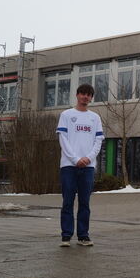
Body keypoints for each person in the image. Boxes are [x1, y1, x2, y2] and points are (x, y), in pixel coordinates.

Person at [56, 84, 104, 247]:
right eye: (83, 94)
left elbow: (98, 141)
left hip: (88, 167)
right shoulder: (66, 115)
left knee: (85, 202)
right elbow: (63, 139)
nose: (85, 97)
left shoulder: (95, 118)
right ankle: (66, 236)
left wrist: (88, 158)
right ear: (77, 95)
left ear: (91, 97)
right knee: (67, 201)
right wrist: (75, 159)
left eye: (89, 95)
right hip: (69, 165)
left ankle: (83, 235)